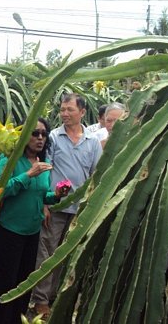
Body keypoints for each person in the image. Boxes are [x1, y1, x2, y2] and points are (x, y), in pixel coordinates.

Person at [0, 118, 67, 324]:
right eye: (34, 133)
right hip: (10, 230)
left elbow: (41, 195)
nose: (40, 138)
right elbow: (1, 191)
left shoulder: (41, 161)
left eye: (43, 134)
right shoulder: (10, 159)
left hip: (32, 232)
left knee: (23, 283)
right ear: (23, 135)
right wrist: (28, 175)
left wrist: (56, 195)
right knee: (5, 284)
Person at [31, 93, 103, 318]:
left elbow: (96, 175)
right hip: (55, 207)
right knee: (46, 254)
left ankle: (53, 297)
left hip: (79, 210)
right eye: (62, 109)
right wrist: (44, 202)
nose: (64, 114)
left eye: (69, 109)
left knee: (66, 255)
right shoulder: (53, 136)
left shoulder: (91, 142)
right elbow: (45, 169)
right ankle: (40, 301)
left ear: (82, 112)